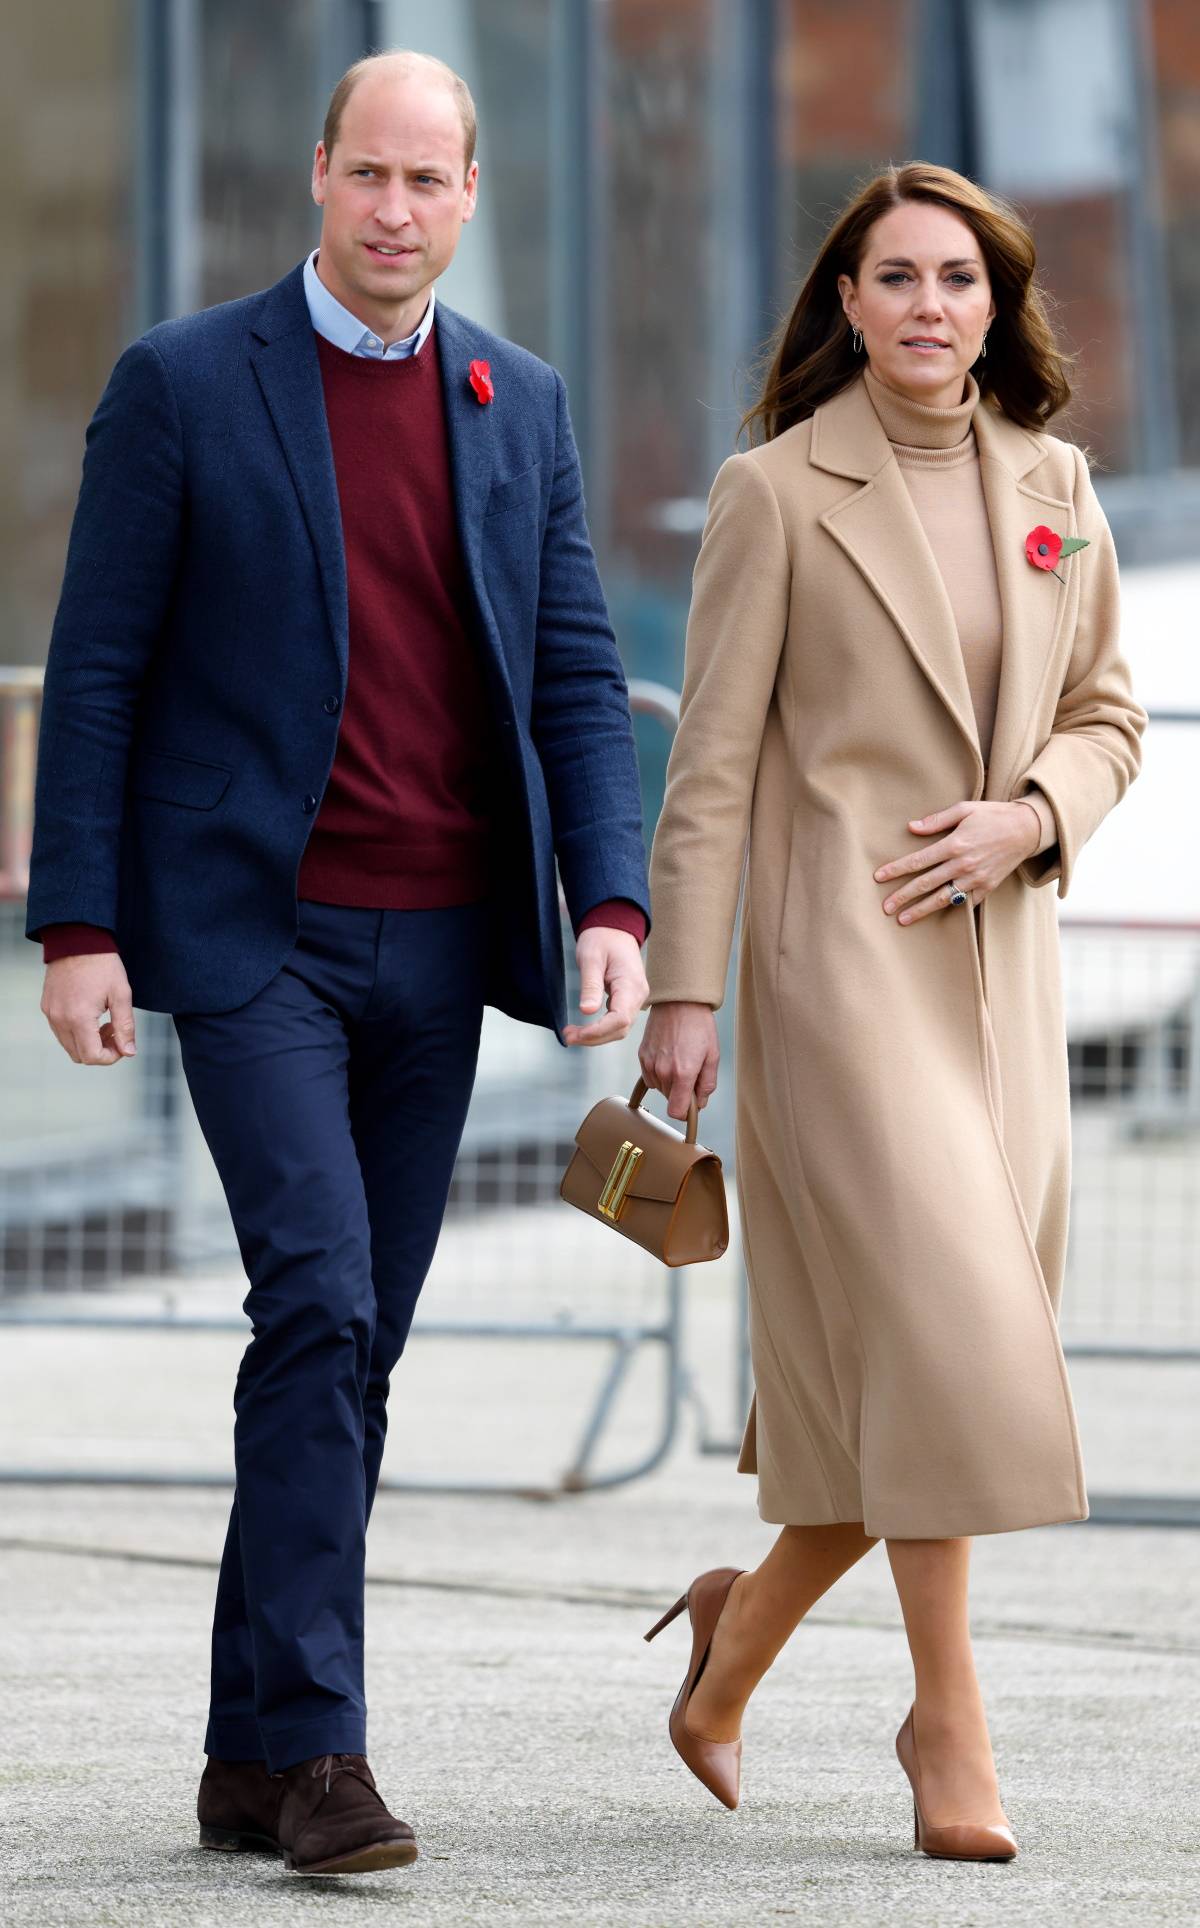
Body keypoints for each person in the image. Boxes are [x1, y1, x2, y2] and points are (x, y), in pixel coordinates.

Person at [27, 50, 649, 1877]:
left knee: (350, 1346)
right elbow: (100, 671)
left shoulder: (515, 399)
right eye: (364, 175)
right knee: (315, 1300)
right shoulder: (186, 383)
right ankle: (322, 1757)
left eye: (427, 182)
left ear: (469, 197)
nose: (393, 210)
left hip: (445, 946)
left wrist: (607, 905)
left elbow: (573, 678)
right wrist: (79, 925)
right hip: (254, 939)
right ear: (317, 176)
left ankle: (240, 1745)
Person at [638, 161, 1145, 1859]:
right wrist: (685, 996)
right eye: (896, 277)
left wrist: (1034, 812)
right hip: (834, 980)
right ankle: (950, 1726)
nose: (931, 306)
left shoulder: (1057, 484)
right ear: (845, 305)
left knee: (918, 1383)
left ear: (997, 307)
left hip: (1005, 989)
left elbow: (1110, 717)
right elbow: (708, 767)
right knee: (952, 1346)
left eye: (961, 279)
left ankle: (732, 1651)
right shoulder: (774, 494)